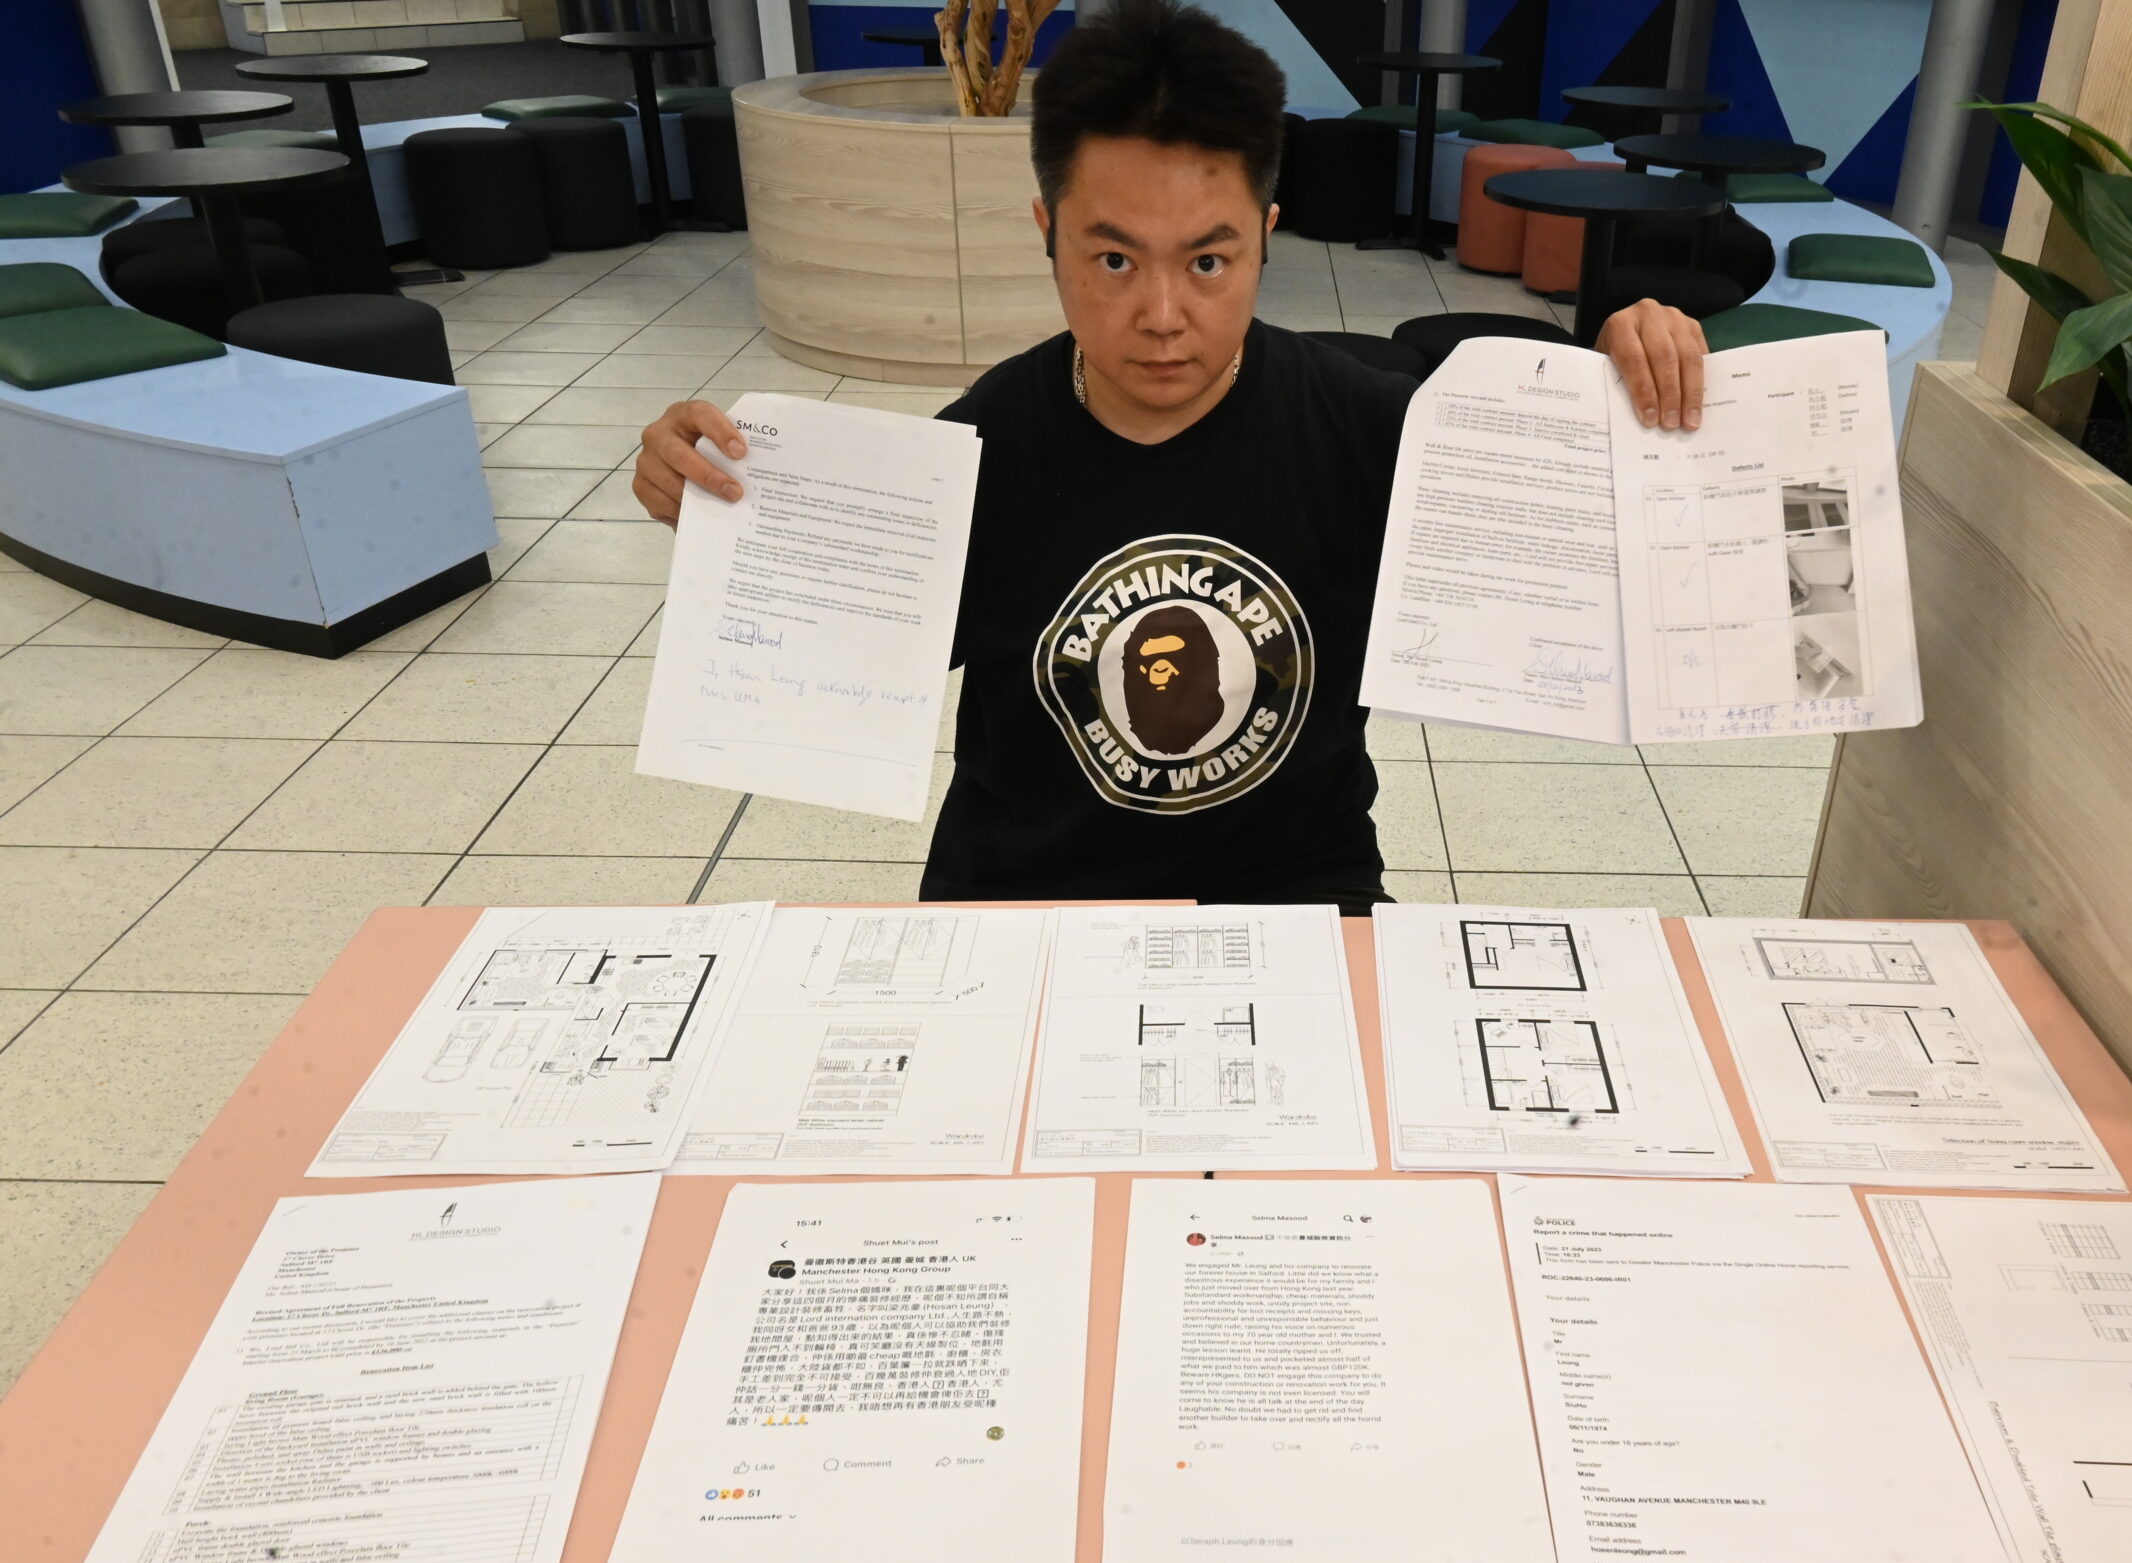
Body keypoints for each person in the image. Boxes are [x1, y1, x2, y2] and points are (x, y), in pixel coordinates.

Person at [634, 0, 1709, 914]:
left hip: (1295, 895)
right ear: (1046, 231)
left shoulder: (1375, 432)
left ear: (1266, 234)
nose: (1160, 315)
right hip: (1025, 902)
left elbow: (1605, 585)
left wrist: (1625, 402)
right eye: (1112, 259)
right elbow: (836, 655)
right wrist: (728, 513)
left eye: (1207, 261)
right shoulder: (967, 452)